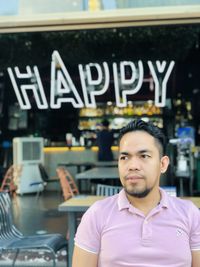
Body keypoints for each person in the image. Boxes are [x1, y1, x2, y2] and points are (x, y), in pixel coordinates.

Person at [72, 119, 200, 267]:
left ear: (163, 164)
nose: (132, 166)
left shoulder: (190, 214)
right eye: (124, 157)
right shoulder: (97, 215)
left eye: (144, 156)